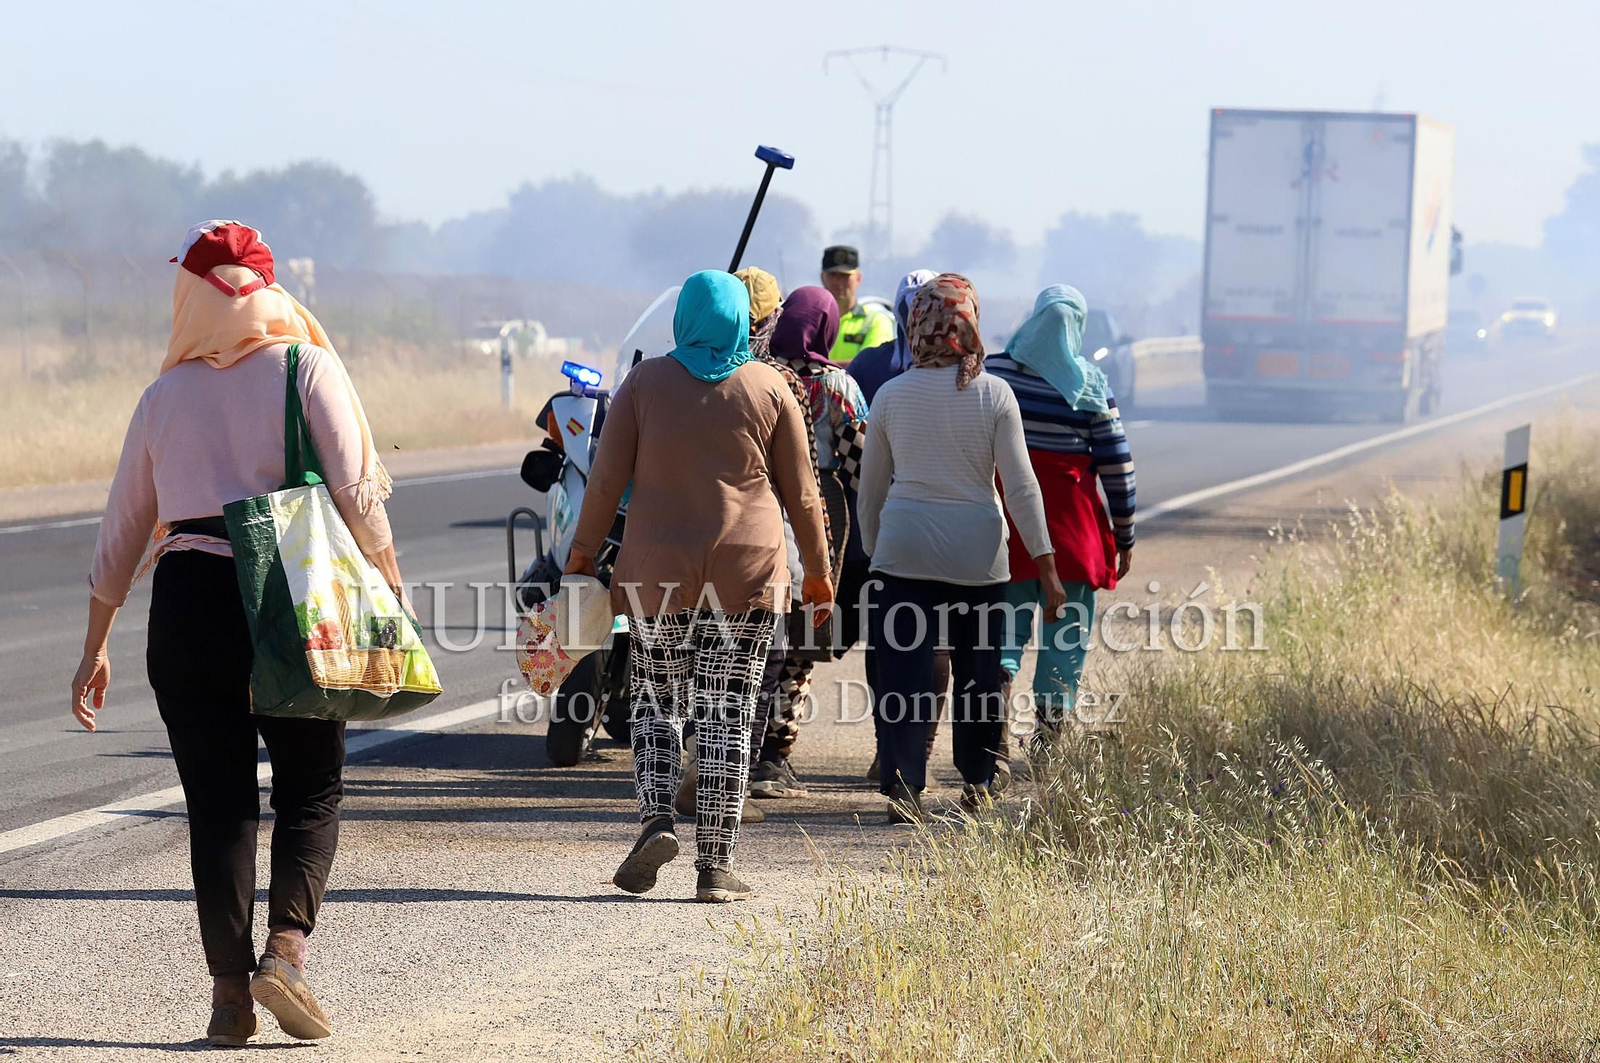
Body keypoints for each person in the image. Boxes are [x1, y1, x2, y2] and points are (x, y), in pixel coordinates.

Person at [71, 221, 401, 1047]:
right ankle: (284, 953)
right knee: (310, 783)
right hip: (289, 588)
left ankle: (228, 999)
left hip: (188, 600)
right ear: (265, 286)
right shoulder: (305, 366)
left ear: (189, 295)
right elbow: (358, 495)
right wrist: (389, 585)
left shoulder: (162, 398)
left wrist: (95, 644)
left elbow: (122, 532)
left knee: (217, 806)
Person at [566, 270, 831, 903]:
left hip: (656, 571)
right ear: (743, 321)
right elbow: (803, 494)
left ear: (682, 318)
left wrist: (580, 555)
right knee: (728, 712)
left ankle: (657, 819)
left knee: (657, 701)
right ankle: (715, 865)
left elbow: (604, 482)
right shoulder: (770, 386)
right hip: (748, 573)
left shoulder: (644, 383)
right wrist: (820, 574)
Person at [857, 274, 1067, 821]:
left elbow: (871, 491)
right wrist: (1046, 567)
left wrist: (877, 551)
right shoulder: (994, 394)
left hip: (904, 554)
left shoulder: (890, 395)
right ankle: (978, 781)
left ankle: (904, 787)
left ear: (916, 325)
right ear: (969, 324)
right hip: (979, 558)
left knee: (904, 677)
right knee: (980, 675)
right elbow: (1021, 487)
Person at [988, 286, 1136, 739]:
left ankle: (992, 740)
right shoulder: (1090, 385)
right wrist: (1125, 535)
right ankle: (1048, 742)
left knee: (1001, 638)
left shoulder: (994, 373)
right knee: (1065, 642)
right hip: (1071, 536)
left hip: (1007, 529)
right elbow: (1117, 467)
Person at [747, 285, 867, 802]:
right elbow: (860, 465)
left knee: (757, 634)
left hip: (760, 508)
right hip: (821, 511)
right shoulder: (837, 386)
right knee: (804, 637)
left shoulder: (757, 371)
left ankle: (735, 752)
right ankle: (775, 757)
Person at [820, 245, 894, 364]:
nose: (838, 281)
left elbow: (872, 363)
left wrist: (816, 368)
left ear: (858, 278)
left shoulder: (875, 321)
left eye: (845, 276)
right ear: (822, 278)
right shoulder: (813, 321)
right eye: (833, 275)